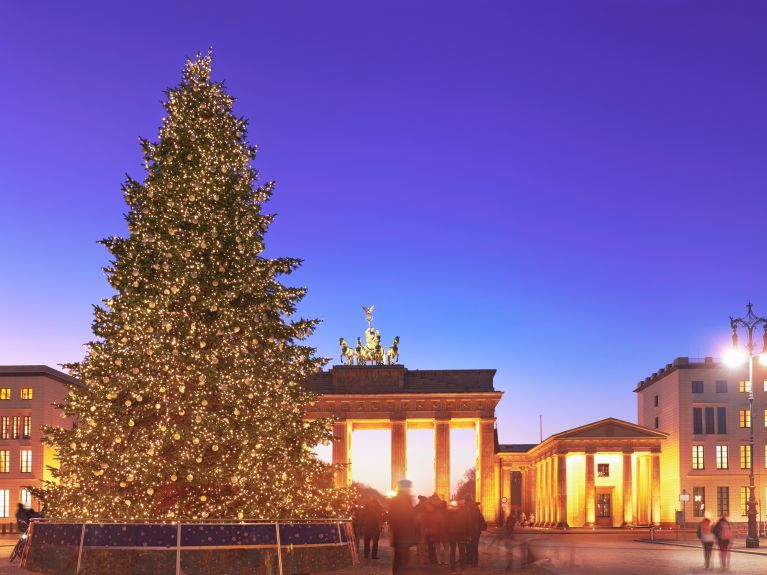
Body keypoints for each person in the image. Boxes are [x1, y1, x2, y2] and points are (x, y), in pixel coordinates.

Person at [388, 479, 417, 575]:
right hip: (403, 535)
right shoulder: (405, 500)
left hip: (400, 535)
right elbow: (407, 517)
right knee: (403, 560)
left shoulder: (395, 500)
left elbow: (391, 518)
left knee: (399, 559)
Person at [446, 501, 470, 573]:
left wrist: (447, 533)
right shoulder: (464, 512)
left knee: (452, 551)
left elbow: (446, 524)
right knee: (462, 551)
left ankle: (453, 570)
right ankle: (463, 570)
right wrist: (468, 534)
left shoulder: (449, 513)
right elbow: (468, 523)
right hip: (462, 534)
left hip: (452, 534)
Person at [360, 495, 386, 560]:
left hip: (367, 525)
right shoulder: (379, 507)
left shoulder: (366, 506)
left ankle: (366, 553)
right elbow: (382, 516)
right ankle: (373, 555)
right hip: (375, 526)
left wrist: (362, 522)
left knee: (367, 541)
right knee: (375, 542)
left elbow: (362, 515)